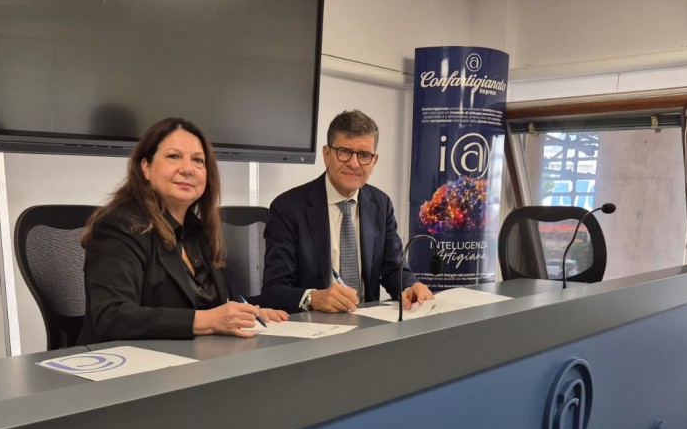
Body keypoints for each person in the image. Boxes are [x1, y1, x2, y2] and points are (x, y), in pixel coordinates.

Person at [79, 117, 287, 344]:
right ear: (146, 167)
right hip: (131, 360)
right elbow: (112, 316)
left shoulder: (199, 231)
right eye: (173, 156)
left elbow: (217, 304)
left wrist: (248, 313)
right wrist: (208, 320)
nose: (188, 169)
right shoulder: (119, 226)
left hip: (197, 356)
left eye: (198, 160)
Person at [261, 110, 434, 313]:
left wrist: (410, 287)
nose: (353, 164)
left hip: (369, 322)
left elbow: (393, 269)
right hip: (313, 324)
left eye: (364, 155)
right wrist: (314, 298)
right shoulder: (288, 208)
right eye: (344, 151)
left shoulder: (381, 204)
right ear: (327, 155)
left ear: (374, 161)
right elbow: (273, 290)